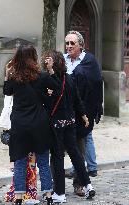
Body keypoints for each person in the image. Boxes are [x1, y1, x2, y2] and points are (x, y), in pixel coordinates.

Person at [3, 45, 61, 205]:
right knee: (43, 161)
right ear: (34, 57)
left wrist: (7, 75)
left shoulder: (15, 77)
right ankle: (48, 195)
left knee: (20, 162)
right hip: (39, 124)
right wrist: (50, 69)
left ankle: (19, 198)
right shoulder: (41, 76)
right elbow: (57, 87)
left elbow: (7, 91)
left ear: (18, 59)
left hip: (20, 124)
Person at [42, 50, 96, 203]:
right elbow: (77, 100)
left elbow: (59, 93)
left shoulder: (51, 79)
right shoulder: (69, 78)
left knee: (58, 157)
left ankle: (59, 193)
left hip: (57, 125)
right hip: (70, 122)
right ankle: (88, 185)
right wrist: (83, 115)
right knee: (75, 155)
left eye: (49, 60)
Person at [64, 30, 103, 196]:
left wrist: (93, 110)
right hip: (62, 111)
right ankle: (53, 186)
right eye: (67, 43)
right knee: (57, 150)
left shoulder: (89, 61)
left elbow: (95, 86)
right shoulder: (62, 61)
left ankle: (79, 183)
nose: (69, 46)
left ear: (81, 45)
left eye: (73, 43)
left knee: (79, 147)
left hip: (81, 112)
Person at [0, 95, 38, 204]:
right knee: (27, 162)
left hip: (18, 125)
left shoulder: (14, 81)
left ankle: (21, 192)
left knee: (21, 163)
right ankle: (28, 191)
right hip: (29, 124)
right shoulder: (31, 81)